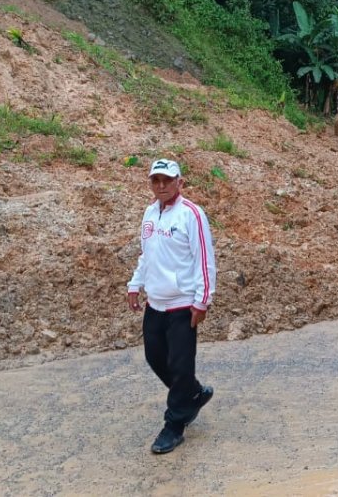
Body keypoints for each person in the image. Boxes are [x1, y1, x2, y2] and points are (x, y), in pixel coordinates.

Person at [127, 159, 217, 454]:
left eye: (167, 180)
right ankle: (192, 394)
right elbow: (147, 255)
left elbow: (204, 260)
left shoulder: (191, 214)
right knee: (155, 358)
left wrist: (202, 301)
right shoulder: (150, 212)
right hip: (155, 302)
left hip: (182, 304)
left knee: (180, 366)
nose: (161, 186)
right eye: (156, 181)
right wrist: (134, 284)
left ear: (180, 182)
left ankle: (174, 425)